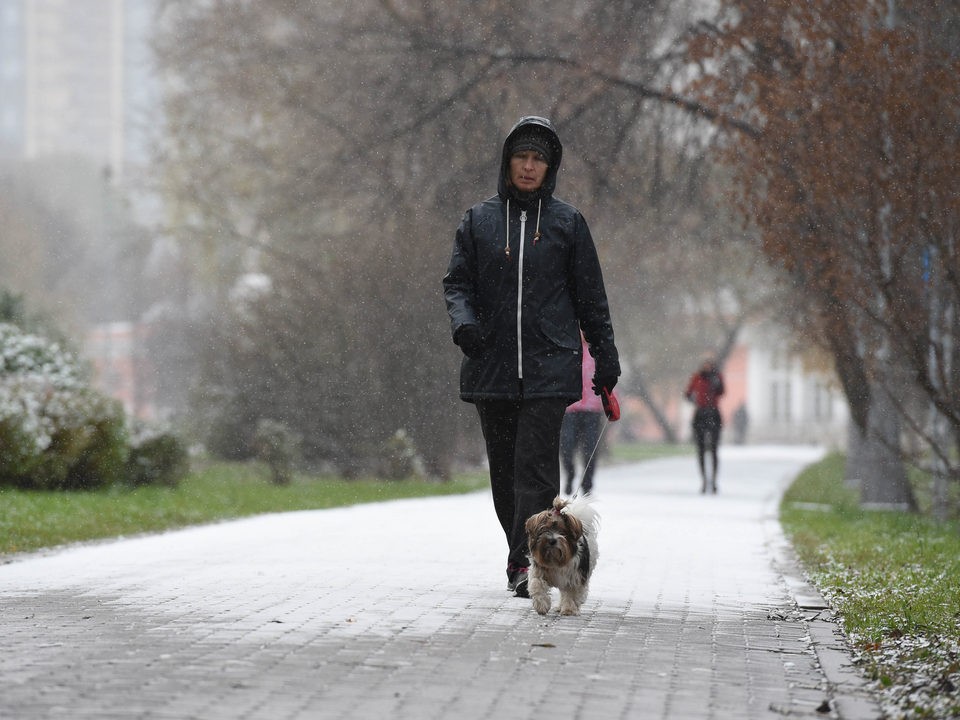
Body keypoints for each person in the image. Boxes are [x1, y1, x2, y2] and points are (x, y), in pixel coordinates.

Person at [443, 116, 620, 599]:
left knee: (536, 468)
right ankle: (518, 553)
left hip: (549, 365)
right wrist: (465, 324)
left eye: (537, 159)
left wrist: (606, 359)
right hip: (490, 365)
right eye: (521, 157)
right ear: (507, 162)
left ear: (550, 167)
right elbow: (457, 283)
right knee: (503, 472)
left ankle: (531, 565)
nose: (528, 166)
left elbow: (591, 299)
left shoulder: (567, 224)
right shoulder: (478, 221)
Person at [560, 334, 610, 496]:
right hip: (570, 407)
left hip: (592, 409)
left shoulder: (597, 351)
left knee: (590, 449)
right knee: (566, 447)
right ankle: (570, 473)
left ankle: (587, 484)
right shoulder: (566, 348)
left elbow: (608, 377)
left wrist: (611, 402)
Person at [684, 356, 725, 494]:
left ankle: (713, 481)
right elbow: (688, 394)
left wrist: (716, 382)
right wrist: (695, 400)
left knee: (713, 450)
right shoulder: (697, 377)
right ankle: (704, 480)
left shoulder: (717, 376)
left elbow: (722, 391)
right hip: (701, 414)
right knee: (701, 450)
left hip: (713, 413)